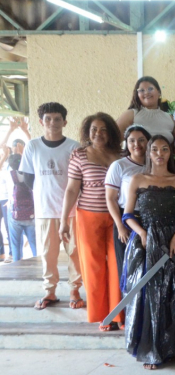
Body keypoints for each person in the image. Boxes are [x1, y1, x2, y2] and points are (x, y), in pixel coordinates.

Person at [122, 135, 175, 369]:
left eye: (164, 149)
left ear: (170, 153)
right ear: (148, 152)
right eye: (155, 149)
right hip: (146, 242)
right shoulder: (137, 179)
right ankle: (151, 350)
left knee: (174, 293)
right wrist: (141, 233)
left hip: (172, 242)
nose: (160, 153)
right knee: (149, 295)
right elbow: (127, 215)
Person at [60, 113, 124, 330]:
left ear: (111, 132)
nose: (98, 133)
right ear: (87, 132)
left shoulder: (121, 154)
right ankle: (101, 314)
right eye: (94, 129)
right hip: (89, 217)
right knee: (93, 267)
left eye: (104, 129)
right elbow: (71, 190)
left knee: (118, 265)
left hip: (118, 218)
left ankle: (118, 313)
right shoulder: (79, 155)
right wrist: (63, 221)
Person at [18, 103, 84, 310]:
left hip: (72, 211)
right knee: (48, 253)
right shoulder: (33, 146)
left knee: (74, 252)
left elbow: (80, 179)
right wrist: (43, 194)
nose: (52, 123)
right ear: (41, 122)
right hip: (45, 210)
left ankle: (75, 290)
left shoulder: (74, 147)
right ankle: (50, 292)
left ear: (64, 122)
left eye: (57, 119)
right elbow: (27, 177)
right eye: (48, 119)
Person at [105, 125, 149, 273]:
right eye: (132, 141)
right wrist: (120, 226)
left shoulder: (155, 164)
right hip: (127, 218)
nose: (137, 144)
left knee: (149, 267)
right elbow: (111, 199)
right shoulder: (119, 165)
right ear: (126, 143)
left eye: (141, 140)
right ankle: (128, 297)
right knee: (128, 268)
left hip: (150, 217)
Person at [116, 77, 175, 143]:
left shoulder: (169, 118)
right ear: (137, 95)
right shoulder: (131, 114)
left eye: (150, 89)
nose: (146, 93)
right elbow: (113, 138)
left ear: (159, 92)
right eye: (142, 90)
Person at [6, 153, 37, 261]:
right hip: (31, 214)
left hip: (15, 215)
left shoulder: (8, 175)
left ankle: (16, 268)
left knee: (15, 245)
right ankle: (39, 265)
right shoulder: (30, 174)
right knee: (35, 245)